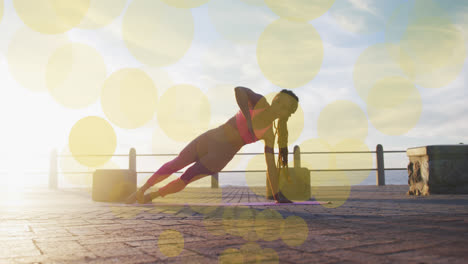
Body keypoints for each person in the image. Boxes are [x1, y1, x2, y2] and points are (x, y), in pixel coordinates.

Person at [125, 86, 299, 204]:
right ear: (273, 99)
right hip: (208, 139)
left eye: (284, 107)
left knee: (186, 177)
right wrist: (248, 118)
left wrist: (277, 195)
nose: (278, 107)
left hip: (219, 157)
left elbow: (270, 166)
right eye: (278, 101)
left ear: (286, 115)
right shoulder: (259, 102)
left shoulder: (269, 135)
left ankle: (153, 195)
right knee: (175, 163)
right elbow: (239, 91)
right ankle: (141, 190)